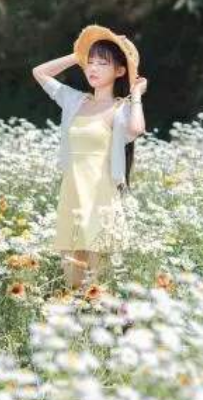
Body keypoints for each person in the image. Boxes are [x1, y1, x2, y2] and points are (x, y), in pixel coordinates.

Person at [30, 24, 148, 293]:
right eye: (90, 63)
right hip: (72, 194)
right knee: (72, 277)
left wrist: (137, 95)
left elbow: (136, 129)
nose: (92, 68)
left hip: (102, 197)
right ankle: (75, 327)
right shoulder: (75, 101)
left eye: (102, 63)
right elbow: (39, 72)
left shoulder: (121, 108)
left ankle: (103, 327)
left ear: (119, 70)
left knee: (100, 282)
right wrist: (78, 53)